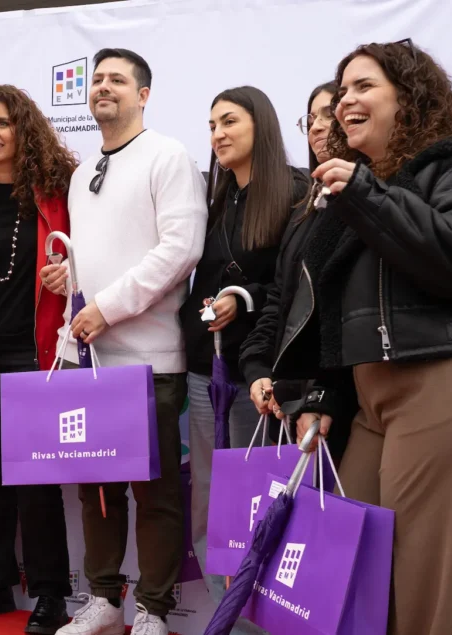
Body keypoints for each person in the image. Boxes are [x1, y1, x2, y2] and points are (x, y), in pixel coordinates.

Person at [296, 41, 452, 635]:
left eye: (364, 86)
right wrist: (327, 398)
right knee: (356, 585)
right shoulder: (369, 187)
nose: (347, 100)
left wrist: (368, 197)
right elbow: (344, 316)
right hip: (375, 402)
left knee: (429, 604)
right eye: (342, 90)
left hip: (451, 381)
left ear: (410, 99)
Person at [42, 48, 207, 635]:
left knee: (156, 493)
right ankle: (105, 600)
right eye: (97, 80)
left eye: (118, 79)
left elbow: (180, 251)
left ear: (144, 95)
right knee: (97, 492)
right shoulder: (81, 172)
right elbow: (96, 258)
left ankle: (154, 610)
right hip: (89, 362)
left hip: (150, 360)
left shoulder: (169, 156)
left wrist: (106, 307)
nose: (103, 87)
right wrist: (72, 279)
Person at [0, 85, 77, 634]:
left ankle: (50, 593)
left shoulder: (60, 194)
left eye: (2, 123)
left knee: (38, 482)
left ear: (25, 129)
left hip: (38, 356)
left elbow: (94, 255)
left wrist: (74, 275)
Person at [179, 86, 309, 604]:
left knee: (260, 500)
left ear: (261, 125)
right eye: (211, 126)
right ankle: (222, 612)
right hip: (206, 372)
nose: (218, 134)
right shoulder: (214, 198)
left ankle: (264, 616)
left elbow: (294, 285)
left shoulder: (296, 192)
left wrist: (242, 297)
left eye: (229, 121)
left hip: (264, 377)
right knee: (211, 502)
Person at [239, 80, 358, 463]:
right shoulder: (307, 205)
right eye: (310, 118)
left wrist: (322, 393)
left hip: (338, 404)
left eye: (329, 114)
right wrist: (258, 368)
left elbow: (343, 315)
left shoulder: (364, 206)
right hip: (288, 400)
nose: (317, 127)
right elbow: (281, 298)